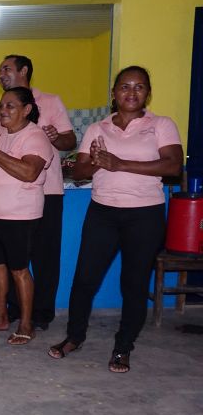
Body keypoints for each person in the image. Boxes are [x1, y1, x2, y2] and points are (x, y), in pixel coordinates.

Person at [48, 66, 182, 373]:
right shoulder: (98, 128)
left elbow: (173, 166)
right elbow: (79, 172)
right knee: (84, 279)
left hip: (145, 215)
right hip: (103, 212)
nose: (131, 92)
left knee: (133, 284)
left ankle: (123, 347)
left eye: (138, 87)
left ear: (147, 93)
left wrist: (119, 163)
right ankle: (73, 337)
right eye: (124, 86)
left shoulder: (161, 125)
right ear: (114, 93)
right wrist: (96, 162)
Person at [0, 55, 76, 330]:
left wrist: (54, 137)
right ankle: (13, 309)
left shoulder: (50, 101)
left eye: (6, 69)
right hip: (8, 197)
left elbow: (70, 139)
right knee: (13, 258)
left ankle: (42, 313)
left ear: (24, 71)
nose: (1, 73)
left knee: (44, 255)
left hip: (46, 191)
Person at [0, 87, 53, 346]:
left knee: (19, 270)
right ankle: (0, 317)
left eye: (10, 106)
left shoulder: (35, 137)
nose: (3, 110)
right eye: (1, 105)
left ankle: (26, 324)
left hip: (19, 215)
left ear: (27, 109)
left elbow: (29, 172)